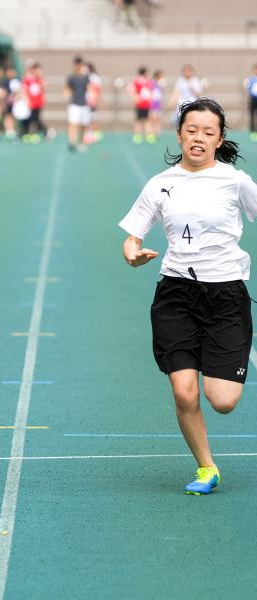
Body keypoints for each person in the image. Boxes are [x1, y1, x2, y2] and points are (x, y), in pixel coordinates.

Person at [119, 97, 257, 495]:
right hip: (176, 293)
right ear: (179, 134)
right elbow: (133, 236)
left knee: (223, 399)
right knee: (183, 390)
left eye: (207, 132)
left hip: (226, 294)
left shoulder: (235, 181)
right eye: (191, 130)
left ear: (220, 138)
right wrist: (133, 254)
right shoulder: (160, 184)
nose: (198, 138)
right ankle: (206, 468)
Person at [65, 56, 90, 152]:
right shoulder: (71, 77)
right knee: (73, 124)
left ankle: (82, 142)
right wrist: (67, 94)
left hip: (84, 104)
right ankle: (72, 142)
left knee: (83, 125)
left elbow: (89, 88)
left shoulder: (86, 77)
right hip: (74, 104)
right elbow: (67, 88)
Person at [22, 62, 47, 143]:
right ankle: (26, 133)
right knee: (29, 118)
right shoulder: (27, 79)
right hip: (30, 102)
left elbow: (43, 88)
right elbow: (25, 90)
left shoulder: (38, 79)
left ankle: (38, 133)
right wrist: (28, 101)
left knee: (36, 118)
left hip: (37, 102)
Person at [129, 66, 154, 144]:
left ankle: (149, 135)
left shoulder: (148, 81)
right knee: (138, 120)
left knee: (147, 120)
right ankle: (137, 136)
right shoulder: (136, 81)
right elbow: (131, 88)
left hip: (146, 104)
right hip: (139, 104)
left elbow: (150, 91)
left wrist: (150, 98)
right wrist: (135, 97)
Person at [2, 65, 22, 139]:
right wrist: (3, 103)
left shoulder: (17, 81)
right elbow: (3, 93)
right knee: (8, 116)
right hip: (8, 102)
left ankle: (13, 129)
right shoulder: (5, 81)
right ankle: (8, 129)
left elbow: (20, 91)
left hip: (15, 103)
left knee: (14, 116)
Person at [85, 62, 103, 144]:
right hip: (85, 100)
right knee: (87, 117)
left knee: (93, 117)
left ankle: (94, 134)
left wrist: (97, 99)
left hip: (92, 99)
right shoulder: (84, 77)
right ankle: (88, 134)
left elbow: (97, 89)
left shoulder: (95, 77)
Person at [149, 69, 166, 138]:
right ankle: (152, 132)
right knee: (153, 118)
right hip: (153, 101)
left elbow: (161, 92)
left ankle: (158, 132)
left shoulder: (161, 82)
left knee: (158, 117)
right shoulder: (152, 82)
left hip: (158, 102)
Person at [245, 64, 257, 141]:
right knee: (252, 115)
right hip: (253, 99)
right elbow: (249, 88)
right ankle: (252, 131)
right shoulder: (251, 79)